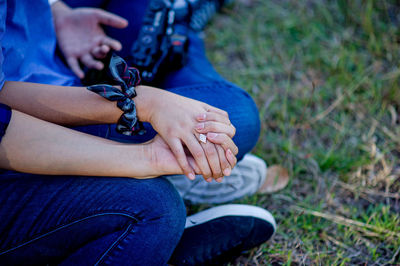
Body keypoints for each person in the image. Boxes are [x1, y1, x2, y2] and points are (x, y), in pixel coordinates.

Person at [0, 0, 276, 265]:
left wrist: (55, 10)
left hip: (51, 67)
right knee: (235, 118)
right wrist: (140, 108)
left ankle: (183, 25)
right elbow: (5, 119)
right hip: (33, 129)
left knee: (149, 9)